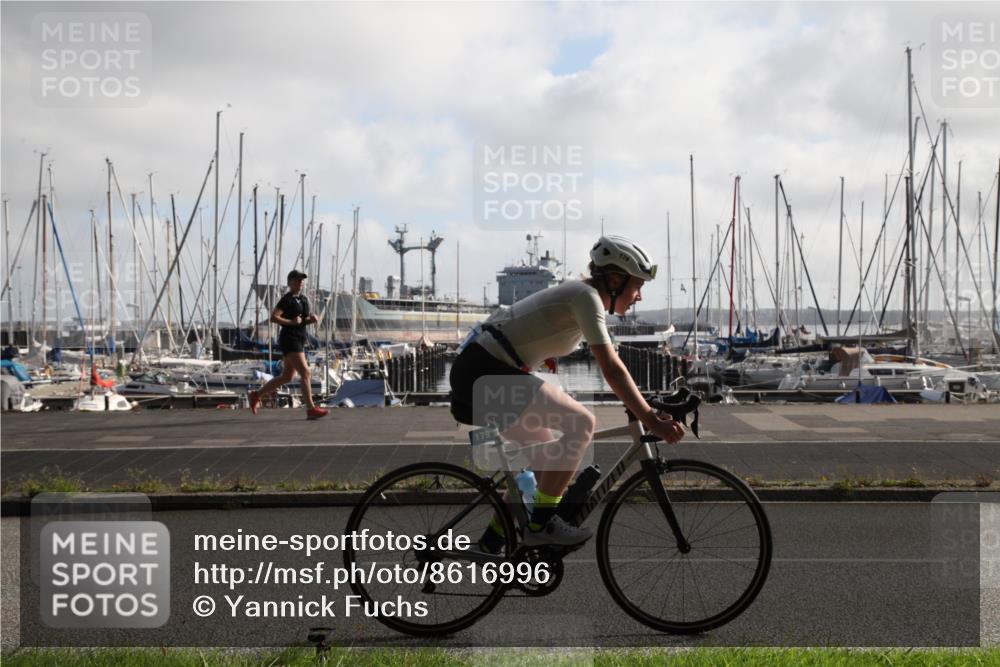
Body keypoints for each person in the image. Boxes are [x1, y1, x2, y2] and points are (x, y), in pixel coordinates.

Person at [450, 235, 685, 549]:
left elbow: (608, 360)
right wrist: (650, 419)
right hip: (484, 372)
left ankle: (494, 539)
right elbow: (612, 368)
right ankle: (542, 523)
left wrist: (647, 403)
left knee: (547, 460)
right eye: (637, 286)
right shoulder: (585, 297)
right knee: (582, 423)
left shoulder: (584, 300)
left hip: (482, 371)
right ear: (615, 280)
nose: (639, 296)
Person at [249, 270, 329, 420]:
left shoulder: (303, 300)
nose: (301, 283)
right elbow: (274, 317)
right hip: (289, 339)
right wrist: (291, 322)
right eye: (297, 280)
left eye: (302, 281)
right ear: (290, 283)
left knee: (287, 376)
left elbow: (302, 320)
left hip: (299, 339)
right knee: (305, 373)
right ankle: (311, 409)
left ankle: (256, 395)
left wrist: (310, 320)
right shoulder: (286, 299)